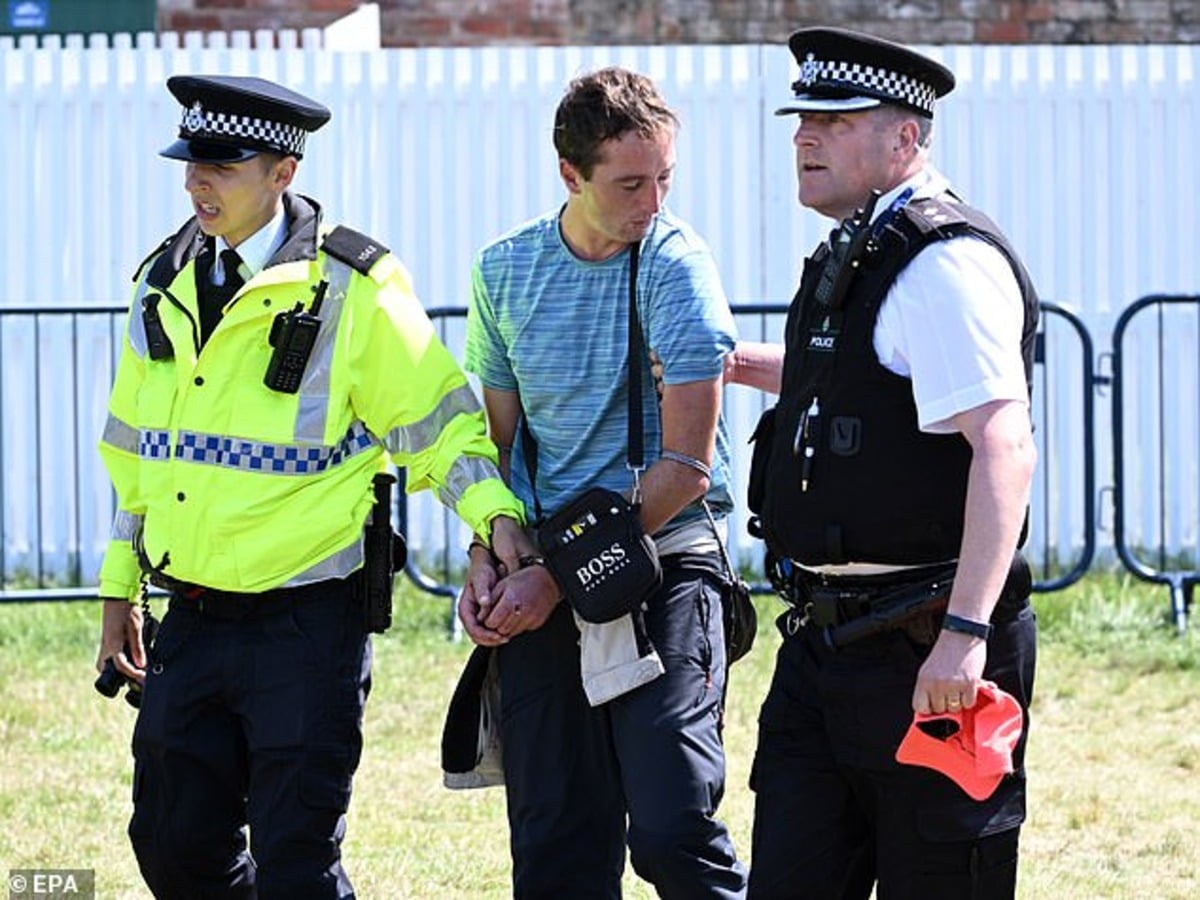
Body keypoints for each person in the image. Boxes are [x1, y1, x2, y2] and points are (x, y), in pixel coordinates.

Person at [94, 74, 530, 899]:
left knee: (298, 861)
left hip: (306, 628)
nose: (197, 181)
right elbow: (136, 454)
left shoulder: (355, 288)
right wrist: (119, 589)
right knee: (171, 846)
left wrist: (497, 521)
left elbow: (438, 427)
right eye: (192, 163)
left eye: (223, 165)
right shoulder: (162, 281)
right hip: (188, 615)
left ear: (283, 172)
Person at [731, 27, 1040, 899]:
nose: (804, 136)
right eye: (802, 118)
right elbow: (865, 382)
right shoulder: (861, 245)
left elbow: (1003, 441)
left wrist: (966, 637)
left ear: (905, 139)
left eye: (835, 119)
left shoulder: (944, 261)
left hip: (924, 648)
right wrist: (724, 361)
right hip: (826, 645)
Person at [455, 67, 749, 898]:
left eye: (665, 179)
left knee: (671, 827)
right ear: (569, 175)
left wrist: (556, 576)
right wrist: (489, 552)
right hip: (545, 563)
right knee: (555, 848)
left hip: (664, 556)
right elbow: (500, 449)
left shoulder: (677, 265)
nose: (652, 202)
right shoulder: (503, 271)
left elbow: (688, 470)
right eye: (629, 183)